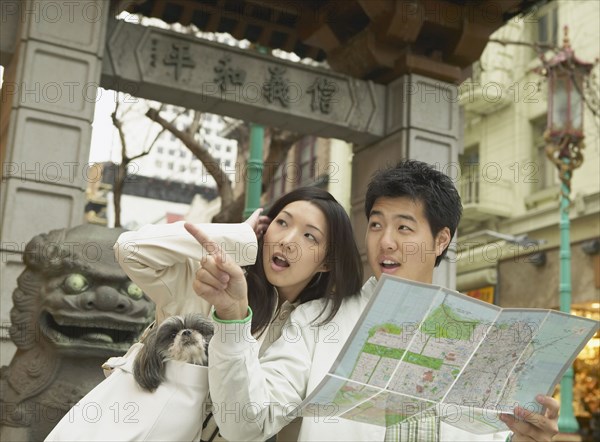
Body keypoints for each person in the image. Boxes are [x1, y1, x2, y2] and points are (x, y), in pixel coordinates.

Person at [190, 160, 560, 441]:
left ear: (441, 240)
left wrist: (523, 437)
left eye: (403, 227)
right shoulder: (318, 321)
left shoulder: (483, 340)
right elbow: (244, 422)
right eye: (377, 224)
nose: (386, 242)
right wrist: (233, 317)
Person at [113, 186, 364, 439]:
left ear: (327, 261)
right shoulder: (209, 279)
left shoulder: (312, 331)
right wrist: (240, 237)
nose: (287, 241)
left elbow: (253, 421)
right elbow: (130, 249)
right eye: (282, 222)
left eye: (310, 236)